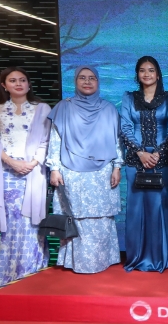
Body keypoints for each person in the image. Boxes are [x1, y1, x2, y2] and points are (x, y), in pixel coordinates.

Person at [48, 66, 123, 274]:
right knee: (76, 216)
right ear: (75, 81)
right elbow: (55, 141)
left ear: (98, 82)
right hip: (72, 170)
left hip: (102, 171)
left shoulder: (108, 108)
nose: (87, 81)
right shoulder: (63, 107)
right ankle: (76, 262)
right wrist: (54, 168)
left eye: (92, 78)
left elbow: (116, 140)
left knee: (102, 217)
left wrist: (117, 166)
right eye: (82, 78)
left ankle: (103, 260)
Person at [0, 68, 51, 288]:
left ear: (29, 84)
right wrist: (12, 163)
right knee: (12, 223)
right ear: (4, 85)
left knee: (33, 221)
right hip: (6, 172)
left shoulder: (42, 109)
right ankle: (8, 272)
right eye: (12, 80)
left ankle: (33, 270)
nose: (18, 84)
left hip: (34, 171)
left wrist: (31, 163)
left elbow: (46, 141)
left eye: (22, 80)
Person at [118, 55, 168, 273]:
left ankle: (163, 257)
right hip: (135, 160)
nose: (147, 74)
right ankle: (136, 257)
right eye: (142, 70)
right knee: (136, 210)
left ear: (158, 74)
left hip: (163, 160)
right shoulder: (128, 98)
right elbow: (125, 128)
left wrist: (158, 153)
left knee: (161, 208)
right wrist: (141, 153)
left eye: (151, 70)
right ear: (137, 75)